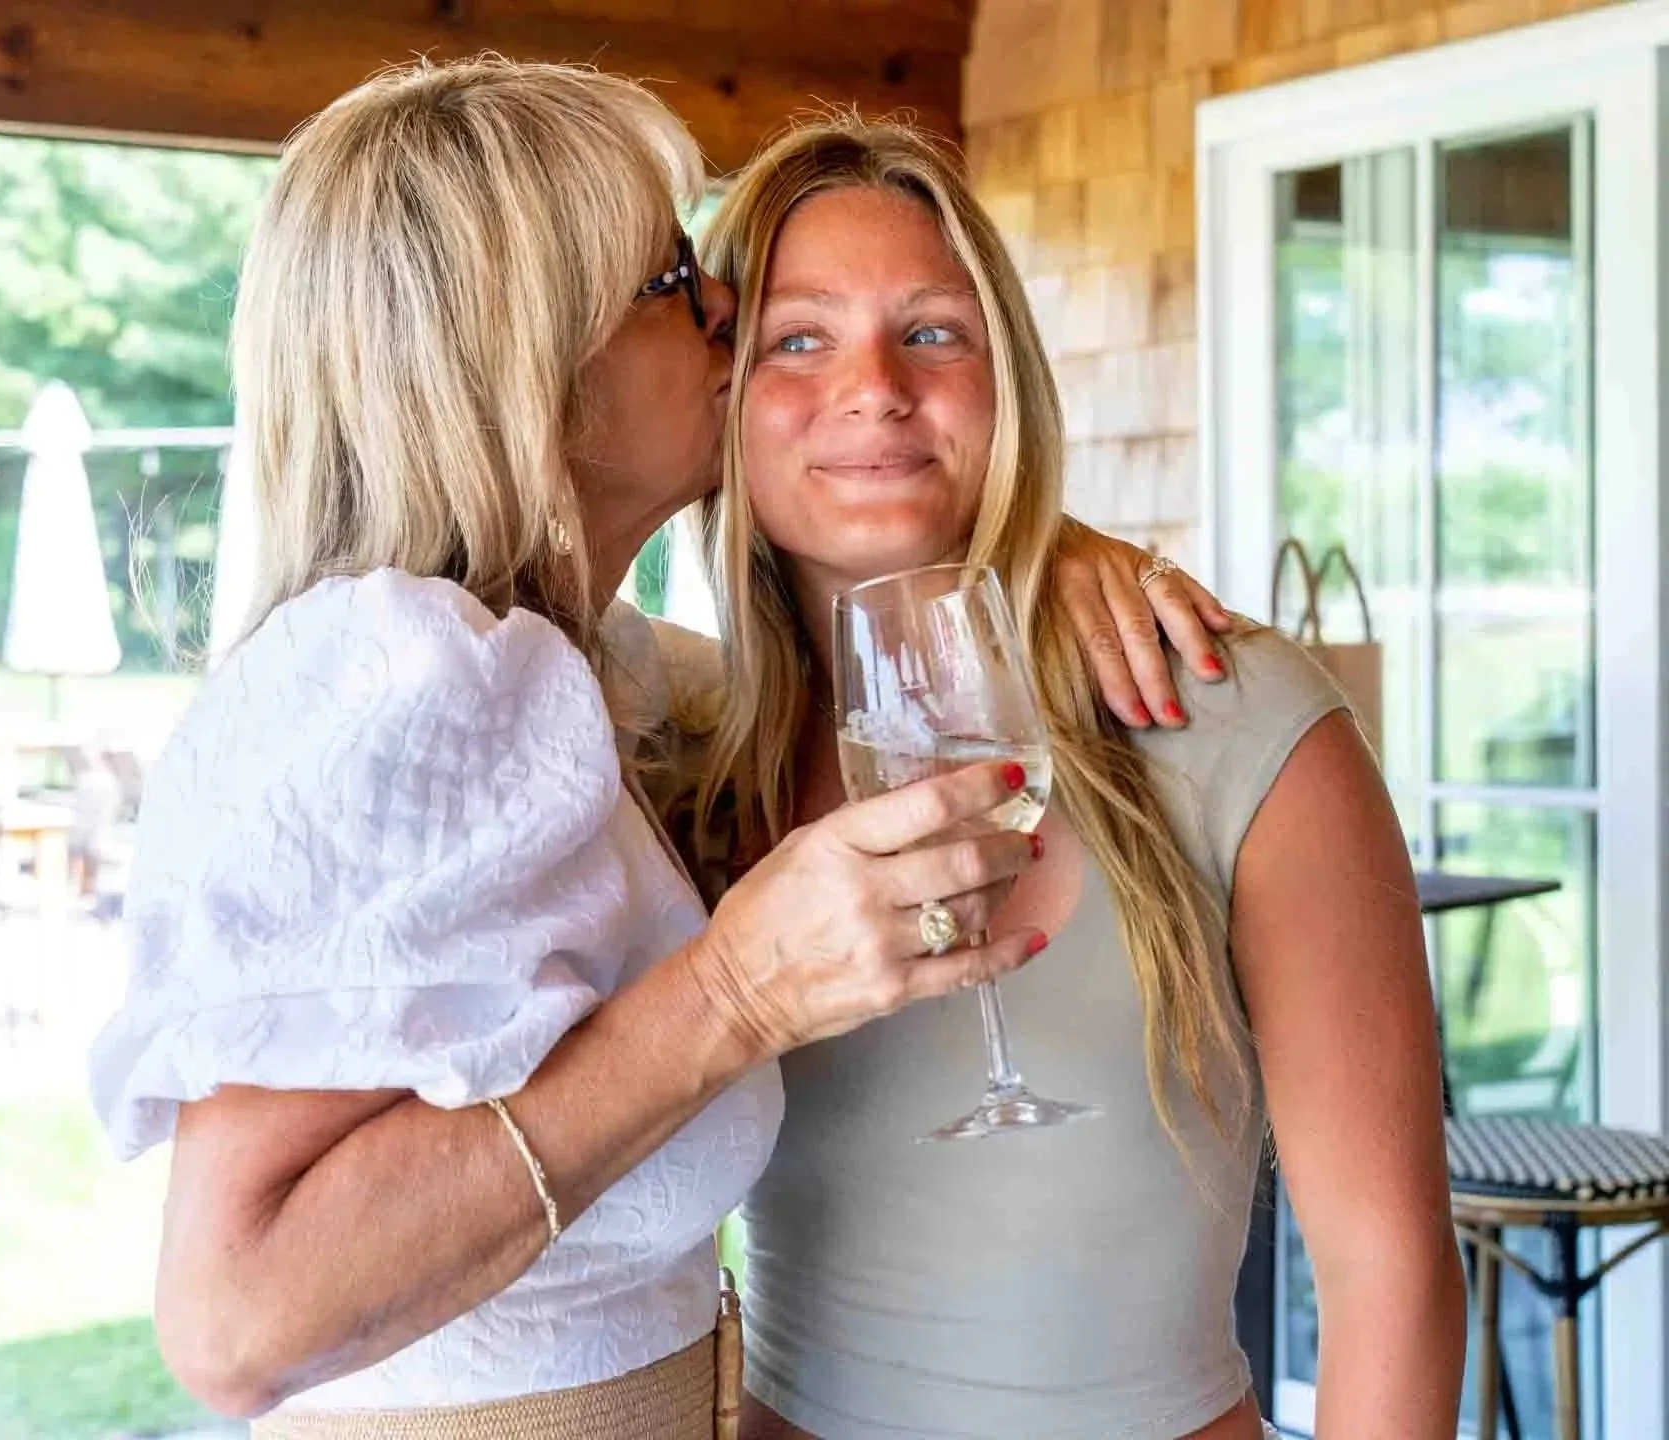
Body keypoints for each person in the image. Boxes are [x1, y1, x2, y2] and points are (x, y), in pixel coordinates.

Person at [88, 58, 1240, 1437]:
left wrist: (1037, 560)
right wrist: (737, 994)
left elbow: (855, 668)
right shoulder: (401, 669)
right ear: (533, 365)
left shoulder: (577, 668)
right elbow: (234, 1323)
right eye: (667, 277)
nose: (727, 311)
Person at [679, 115, 1467, 1440]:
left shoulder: (1229, 718)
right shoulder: (681, 757)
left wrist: (1042, 548)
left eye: (933, 330)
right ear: (720, 398)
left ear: (1011, 384)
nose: (874, 386)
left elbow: (1392, 1281)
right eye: (798, 338)